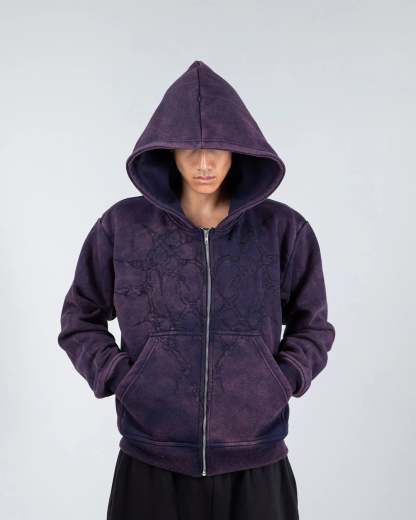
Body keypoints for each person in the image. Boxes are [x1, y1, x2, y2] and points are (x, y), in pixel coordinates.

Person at [57, 60, 336, 519]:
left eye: (217, 149)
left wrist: (280, 380)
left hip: (256, 460)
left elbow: (314, 327)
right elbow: (79, 319)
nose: (203, 164)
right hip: (151, 460)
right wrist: (122, 378)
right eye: (189, 148)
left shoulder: (283, 230)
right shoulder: (122, 226)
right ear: (167, 150)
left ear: (238, 150)